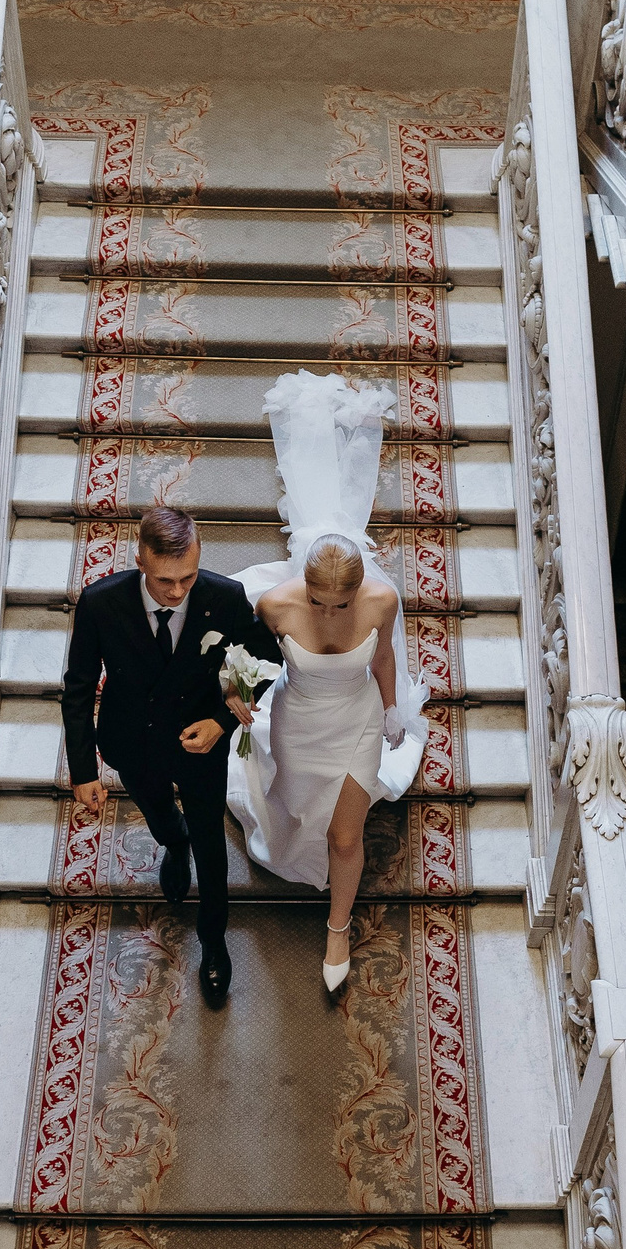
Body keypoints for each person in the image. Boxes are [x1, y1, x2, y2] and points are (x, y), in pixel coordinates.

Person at [221, 372, 430, 992]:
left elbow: (385, 660)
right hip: (297, 718)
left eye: (342, 605)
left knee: (345, 836)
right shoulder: (278, 604)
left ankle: (337, 926)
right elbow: (242, 652)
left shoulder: (382, 601)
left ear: (359, 589)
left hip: (357, 722)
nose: (331, 615)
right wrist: (235, 688)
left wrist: (394, 713)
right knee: (288, 801)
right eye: (320, 602)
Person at [61, 505, 279, 1008]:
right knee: (160, 815)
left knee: (212, 843)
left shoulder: (223, 597)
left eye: (188, 577)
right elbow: (77, 689)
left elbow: (265, 656)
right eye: (165, 580)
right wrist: (83, 768)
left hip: (197, 744)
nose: (178, 591)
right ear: (139, 558)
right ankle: (171, 844)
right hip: (130, 742)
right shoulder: (100, 603)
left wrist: (224, 718)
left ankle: (213, 940)